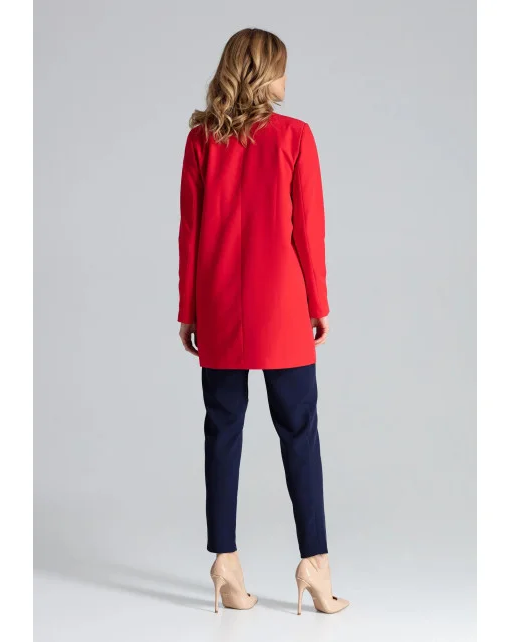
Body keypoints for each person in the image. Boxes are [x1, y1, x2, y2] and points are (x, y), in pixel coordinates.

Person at [177, 28, 349, 616]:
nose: (286, 79)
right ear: (263, 72)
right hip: (282, 306)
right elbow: (309, 230)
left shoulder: (202, 139)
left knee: (222, 430)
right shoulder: (295, 136)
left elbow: (190, 233)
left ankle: (225, 563)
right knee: (300, 431)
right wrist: (318, 304)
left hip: (220, 302)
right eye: (282, 68)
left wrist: (189, 310)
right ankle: (315, 567)